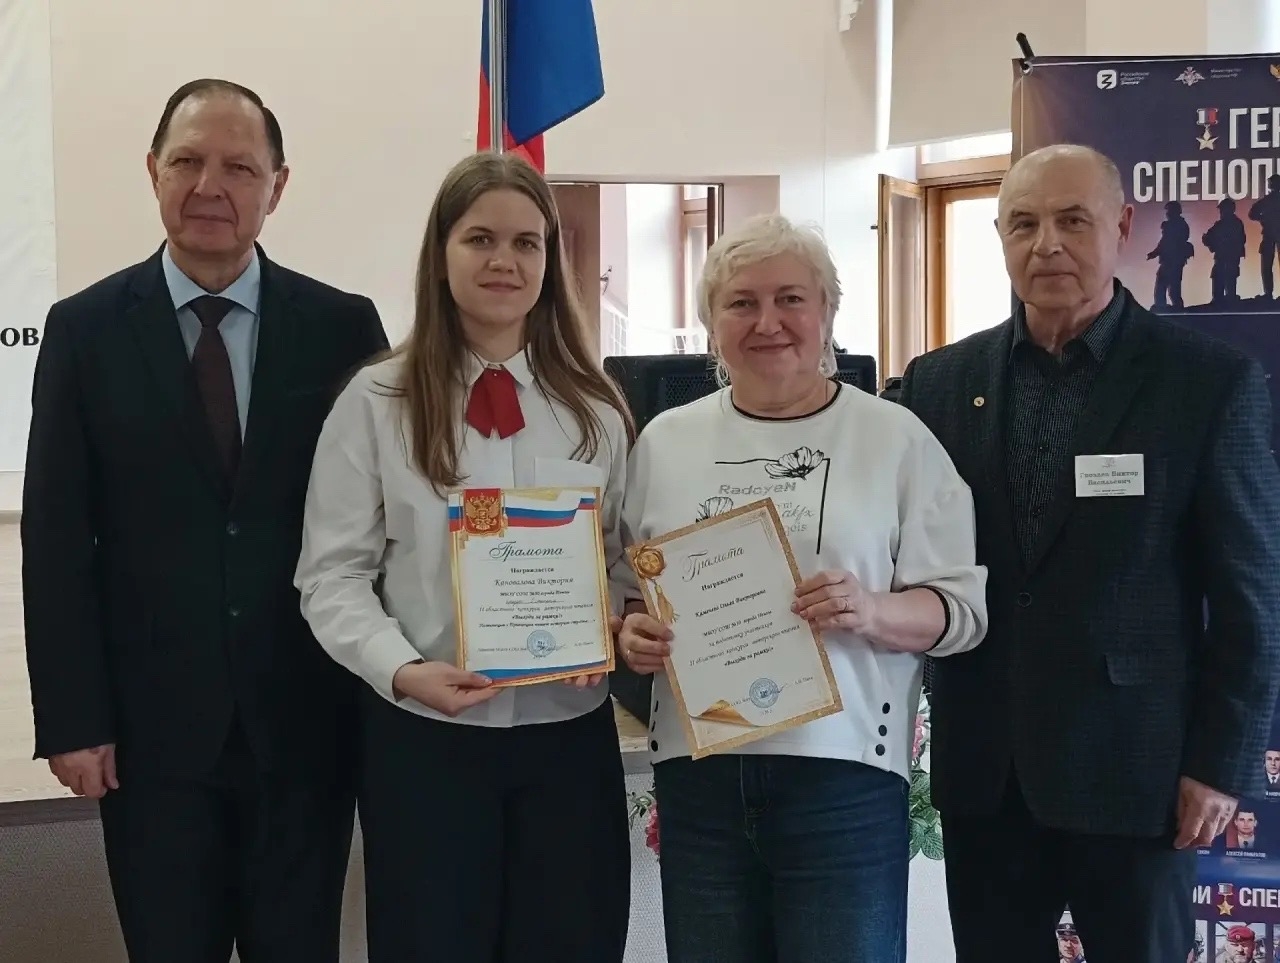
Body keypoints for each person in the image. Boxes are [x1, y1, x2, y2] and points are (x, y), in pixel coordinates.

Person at [21, 79, 389, 961]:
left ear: (277, 185)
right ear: (153, 170)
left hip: (305, 726)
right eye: (187, 161)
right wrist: (72, 718)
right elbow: (56, 539)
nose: (209, 186)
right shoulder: (84, 331)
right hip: (149, 739)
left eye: (239, 167)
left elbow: (384, 523)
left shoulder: (343, 328)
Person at [897, 143, 1280, 963]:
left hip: (1140, 776)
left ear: (1123, 226)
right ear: (1000, 237)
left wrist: (1219, 764)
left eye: (1073, 220)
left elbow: (1253, 598)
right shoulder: (938, 383)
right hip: (987, 773)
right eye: (1024, 224)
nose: (1048, 245)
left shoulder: (1206, 383)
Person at [614, 213, 988, 963]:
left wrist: (872, 609)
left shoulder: (895, 438)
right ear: (711, 323)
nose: (768, 322)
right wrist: (633, 632)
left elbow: (960, 611)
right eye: (741, 302)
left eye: (791, 299)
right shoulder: (663, 442)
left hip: (844, 780)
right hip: (700, 777)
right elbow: (629, 589)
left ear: (827, 313)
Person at [294, 151, 635, 962]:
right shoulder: (377, 401)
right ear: (440, 253)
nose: (503, 261)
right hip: (427, 745)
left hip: (567, 742)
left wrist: (610, 619)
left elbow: (620, 558)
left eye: (526, 243)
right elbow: (331, 574)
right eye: (480, 238)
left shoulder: (594, 410)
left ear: (550, 261)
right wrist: (403, 669)